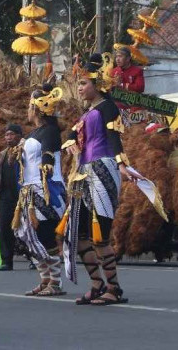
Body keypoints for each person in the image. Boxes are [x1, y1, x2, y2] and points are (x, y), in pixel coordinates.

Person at [61, 53, 137, 306]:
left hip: (103, 169)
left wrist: (122, 164)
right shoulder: (88, 111)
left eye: (83, 83)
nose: (79, 88)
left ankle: (114, 289)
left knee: (100, 236)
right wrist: (70, 142)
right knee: (79, 234)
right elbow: (71, 134)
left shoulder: (108, 107)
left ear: (98, 84)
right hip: (82, 173)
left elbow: (114, 138)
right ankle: (97, 285)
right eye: (79, 84)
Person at [13, 86, 67, 296]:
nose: (27, 110)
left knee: (45, 235)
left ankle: (55, 282)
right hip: (28, 191)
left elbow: (48, 154)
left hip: (46, 190)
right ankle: (45, 279)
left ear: (36, 109)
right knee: (29, 237)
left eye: (29, 106)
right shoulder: (33, 133)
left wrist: (47, 163)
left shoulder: (50, 131)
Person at [0, 124, 24, 271]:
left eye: (11, 134)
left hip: (22, 196)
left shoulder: (25, 151)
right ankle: (6, 260)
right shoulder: (3, 155)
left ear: (19, 135)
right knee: (3, 228)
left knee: (27, 228)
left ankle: (34, 257)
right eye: (6, 135)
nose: (8, 137)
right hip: (5, 197)